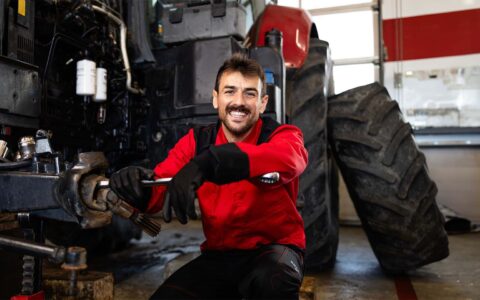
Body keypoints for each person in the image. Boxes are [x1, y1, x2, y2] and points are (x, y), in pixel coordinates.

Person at [110, 53, 308, 299]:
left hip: (274, 252)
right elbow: (159, 189)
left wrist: (212, 162)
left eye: (250, 93)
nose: (239, 102)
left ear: (263, 103)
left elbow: (289, 158)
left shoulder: (283, 135)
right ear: (215, 99)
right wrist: (135, 186)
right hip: (220, 256)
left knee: (272, 281)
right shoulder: (195, 141)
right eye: (230, 91)